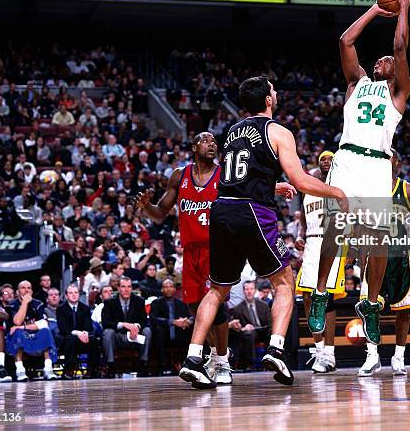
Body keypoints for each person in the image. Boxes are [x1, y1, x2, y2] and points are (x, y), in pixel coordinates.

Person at [179, 76, 346, 389]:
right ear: (268, 100)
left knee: (217, 289)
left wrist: (271, 184)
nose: (277, 93)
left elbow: (239, 174)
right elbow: (300, 180)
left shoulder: (231, 131)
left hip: (221, 210)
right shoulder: (278, 132)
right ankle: (276, 349)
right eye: (274, 90)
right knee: (284, 281)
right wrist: (335, 191)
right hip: (252, 211)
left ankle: (192, 359)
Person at [309, 0, 410, 349]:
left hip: (378, 165)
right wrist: (374, 10)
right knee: (336, 227)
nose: (382, 61)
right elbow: (345, 42)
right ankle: (321, 294)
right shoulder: (357, 83)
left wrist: (402, 11)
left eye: (386, 60)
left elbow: (400, 47)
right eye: (379, 60)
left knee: (378, 240)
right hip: (349, 158)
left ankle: (370, 302)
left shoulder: (399, 92)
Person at [135, 132, 232, 384]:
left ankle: (222, 362)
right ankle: (216, 353)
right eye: (206, 141)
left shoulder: (225, 175)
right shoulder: (180, 175)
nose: (212, 145)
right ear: (194, 146)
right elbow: (159, 214)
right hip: (189, 251)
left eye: (214, 142)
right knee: (194, 307)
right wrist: (146, 206)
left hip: (217, 249)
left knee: (216, 307)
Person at [359, 149, 410, 376]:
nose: (387, 162)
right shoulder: (368, 192)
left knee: (403, 310)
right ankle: (372, 356)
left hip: (402, 255)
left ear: (397, 162)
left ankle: (399, 356)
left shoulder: (409, 190)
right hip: (374, 256)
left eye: (390, 158)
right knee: (370, 307)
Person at [295, 150, 342, 374]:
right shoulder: (308, 188)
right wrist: (300, 235)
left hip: (332, 242)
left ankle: (330, 353)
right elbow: (304, 219)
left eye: (330, 159)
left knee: (328, 298)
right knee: (306, 295)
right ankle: (319, 348)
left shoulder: (340, 186)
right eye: (322, 158)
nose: (326, 162)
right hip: (312, 243)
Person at [5, 280, 58, 381]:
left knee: (45, 331)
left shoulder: (38, 304)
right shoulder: (10, 306)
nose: (26, 290)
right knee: (18, 333)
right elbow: (17, 321)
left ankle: (48, 369)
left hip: (35, 337)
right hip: (17, 339)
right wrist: (24, 303)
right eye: (23, 288)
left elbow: (43, 324)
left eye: (29, 288)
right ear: (17, 292)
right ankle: (20, 370)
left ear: (32, 292)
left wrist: (22, 327)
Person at [101, 276, 152, 377]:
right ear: (119, 288)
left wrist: (136, 327)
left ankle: (143, 364)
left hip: (135, 337)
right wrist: (123, 324)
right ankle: (110, 366)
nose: (126, 289)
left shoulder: (139, 301)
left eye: (129, 286)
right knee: (107, 333)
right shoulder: (109, 302)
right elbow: (106, 323)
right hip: (118, 337)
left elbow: (144, 321)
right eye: (123, 286)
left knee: (147, 331)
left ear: (132, 288)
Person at [149, 279, 193, 375]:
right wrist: (172, 322)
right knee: (158, 330)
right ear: (161, 289)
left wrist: (187, 321)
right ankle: (163, 366)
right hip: (163, 334)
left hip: (179, 334)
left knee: (190, 329)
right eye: (166, 287)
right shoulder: (156, 303)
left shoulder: (182, 303)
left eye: (171, 286)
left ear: (174, 289)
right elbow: (153, 319)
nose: (168, 289)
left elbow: (192, 316)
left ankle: (187, 364)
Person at [56, 284, 98, 379]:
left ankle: (92, 369)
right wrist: (77, 333)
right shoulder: (61, 309)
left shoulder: (85, 308)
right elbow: (63, 329)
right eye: (71, 293)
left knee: (93, 339)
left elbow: (88, 326)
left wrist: (84, 333)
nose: (74, 295)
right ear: (66, 296)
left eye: (76, 292)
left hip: (82, 337)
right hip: (68, 337)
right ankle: (70, 369)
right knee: (70, 339)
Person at [229, 281, 271, 370]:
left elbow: (269, 322)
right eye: (247, 289)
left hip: (263, 330)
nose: (249, 291)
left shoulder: (263, 305)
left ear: (255, 290)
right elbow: (237, 328)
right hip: (249, 333)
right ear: (243, 291)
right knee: (249, 334)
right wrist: (243, 328)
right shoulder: (238, 309)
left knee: (271, 333)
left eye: (251, 289)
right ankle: (250, 364)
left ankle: (271, 362)